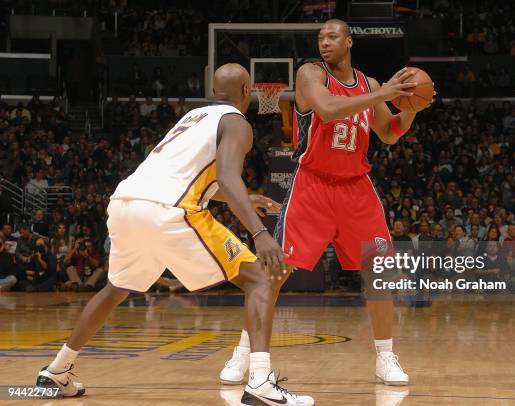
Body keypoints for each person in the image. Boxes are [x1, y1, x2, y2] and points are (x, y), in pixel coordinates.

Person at [35, 64, 314, 406]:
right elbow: (227, 177)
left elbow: (194, 177)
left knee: (116, 288)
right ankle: (259, 383)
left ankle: (57, 370)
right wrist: (259, 233)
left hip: (125, 203)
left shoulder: (192, 118)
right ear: (248, 92)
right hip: (170, 211)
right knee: (263, 279)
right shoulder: (237, 123)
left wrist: (243, 196)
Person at [221, 19, 434, 387]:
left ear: (349, 41)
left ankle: (385, 357)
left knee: (378, 273)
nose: (324, 42)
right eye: (320, 37)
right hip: (312, 185)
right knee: (274, 271)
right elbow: (328, 109)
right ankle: (244, 353)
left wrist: (413, 105)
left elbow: (389, 133)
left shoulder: (369, 84)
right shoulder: (310, 74)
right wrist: (385, 95)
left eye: (332, 36)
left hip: (357, 188)